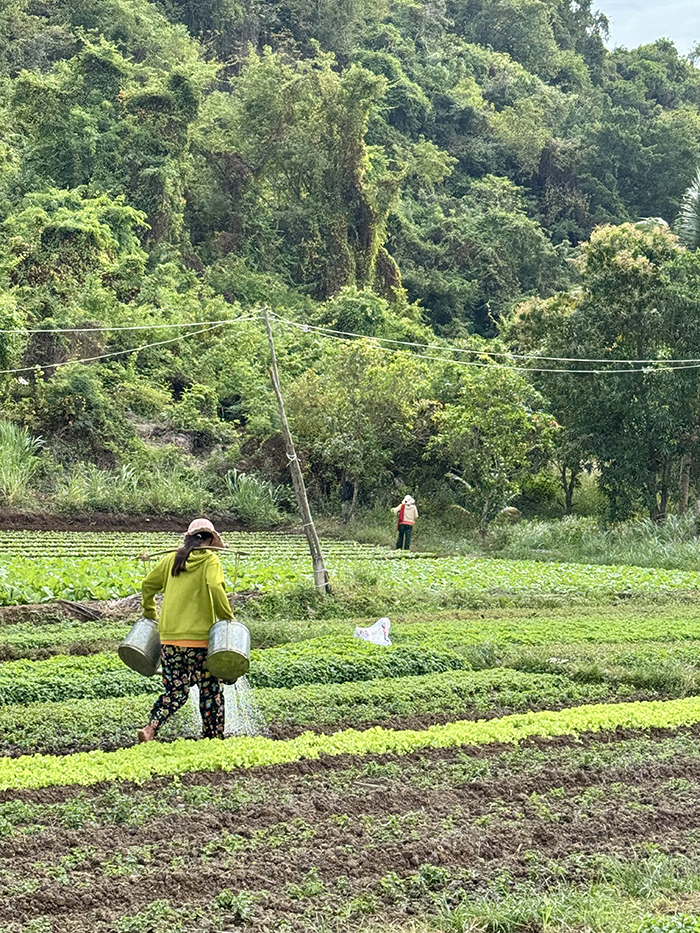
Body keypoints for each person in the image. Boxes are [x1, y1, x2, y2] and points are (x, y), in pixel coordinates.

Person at [137, 518, 233, 743]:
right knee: (209, 690)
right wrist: (227, 620)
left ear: (188, 537)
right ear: (210, 540)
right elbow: (216, 587)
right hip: (199, 642)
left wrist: (150, 612)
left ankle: (150, 728)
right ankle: (212, 738)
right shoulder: (210, 560)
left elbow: (147, 585)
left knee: (176, 691)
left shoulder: (173, 559)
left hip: (169, 641)